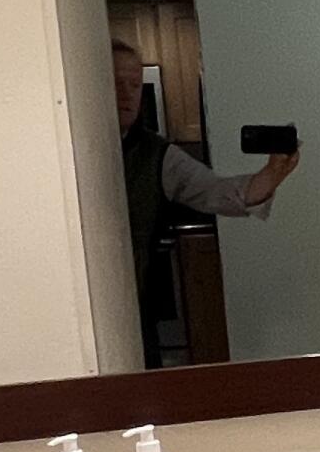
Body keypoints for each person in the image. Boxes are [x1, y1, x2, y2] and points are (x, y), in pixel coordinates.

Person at [112, 39, 300, 359]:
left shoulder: (158, 154)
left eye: (135, 84)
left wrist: (272, 173)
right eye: (117, 83)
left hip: (135, 309)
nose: (128, 94)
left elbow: (217, 192)